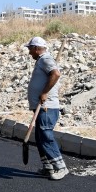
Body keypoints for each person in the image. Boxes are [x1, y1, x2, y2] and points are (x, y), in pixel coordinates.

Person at [25, 36, 68, 180]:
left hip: (47, 107)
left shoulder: (45, 59)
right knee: (40, 138)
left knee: (46, 137)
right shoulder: (41, 61)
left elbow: (55, 74)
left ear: (37, 48)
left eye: (30, 49)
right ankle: (48, 167)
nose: (29, 52)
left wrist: (44, 92)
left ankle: (60, 167)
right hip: (42, 107)